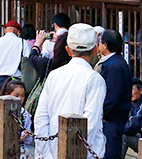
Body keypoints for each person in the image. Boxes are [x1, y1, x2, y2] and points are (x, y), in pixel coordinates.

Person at [34, 23, 106, 159]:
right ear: (95, 50)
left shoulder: (54, 75)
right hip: (83, 152)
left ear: (68, 50)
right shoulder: (95, 79)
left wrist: (47, 153)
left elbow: (40, 118)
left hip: (52, 148)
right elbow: (91, 123)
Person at [97, 29, 132, 159]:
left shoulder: (115, 66)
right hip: (111, 120)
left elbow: (113, 97)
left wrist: (102, 114)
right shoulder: (113, 62)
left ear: (105, 45)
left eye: (99, 42)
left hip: (112, 121)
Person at [0, 79, 33, 158]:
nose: (20, 98)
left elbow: (29, 139)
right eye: (16, 96)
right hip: (0, 151)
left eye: (22, 95)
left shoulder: (25, 114)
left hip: (19, 152)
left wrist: (27, 135)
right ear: (7, 94)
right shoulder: (0, 113)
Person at [0, 20, 31, 98]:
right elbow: (28, 63)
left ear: (5, 30)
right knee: (15, 107)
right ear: (18, 31)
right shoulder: (23, 43)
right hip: (16, 81)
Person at [122, 78, 142, 156]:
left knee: (124, 137)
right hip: (139, 138)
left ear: (141, 91)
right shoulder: (131, 103)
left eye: (132, 89)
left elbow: (133, 125)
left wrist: (118, 128)